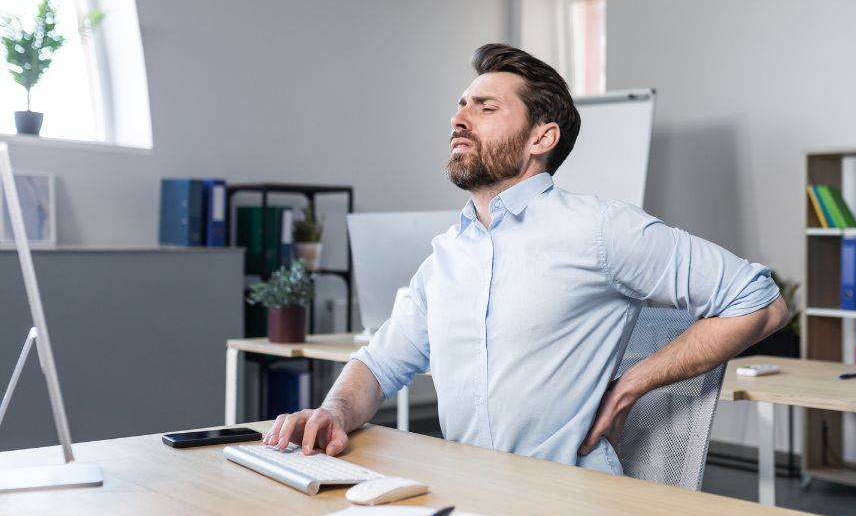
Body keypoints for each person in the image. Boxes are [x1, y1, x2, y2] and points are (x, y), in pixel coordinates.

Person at [264, 43, 787, 474]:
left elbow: (759, 301)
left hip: (571, 504)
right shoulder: (447, 256)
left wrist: (634, 381)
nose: (459, 118)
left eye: (485, 108)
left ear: (542, 137)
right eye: (461, 105)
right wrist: (333, 411)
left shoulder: (601, 229)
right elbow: (378, 364)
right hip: (467, 499)